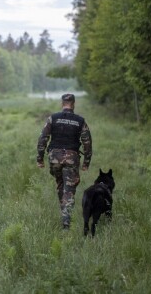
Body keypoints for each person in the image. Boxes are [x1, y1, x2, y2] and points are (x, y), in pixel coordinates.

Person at [36, 93, 92, 229]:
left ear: (62, 104)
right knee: (69, 189)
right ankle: (66, 221)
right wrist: (86, 162)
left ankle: (64, 212)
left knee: (61, 184)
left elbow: (43, 138)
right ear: (73, 104)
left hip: (54, 159)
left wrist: (40, 158)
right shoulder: (80, 121)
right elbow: (87, 143)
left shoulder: (52, 118)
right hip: (72, 159)